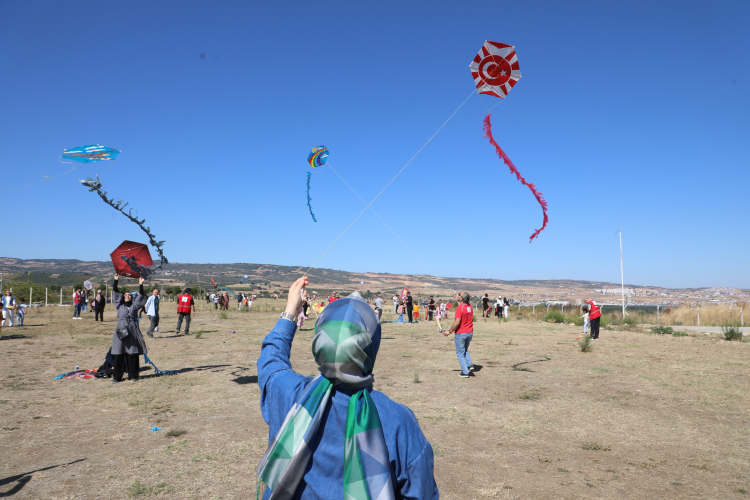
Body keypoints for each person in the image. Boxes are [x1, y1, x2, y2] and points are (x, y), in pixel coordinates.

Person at [256, 277, 439, 499]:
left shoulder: (289, 394)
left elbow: (271, 360)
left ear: (318, 344)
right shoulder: (399, 421)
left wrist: (290, 313)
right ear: (371, 348)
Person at [110, 274, 148, 383]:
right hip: (120, 333)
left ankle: (133, 375)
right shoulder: (119, 306)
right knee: (118, 353)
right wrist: (116, 280)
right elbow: (115, 292)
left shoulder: (134, 306)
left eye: (129, 295)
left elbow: (141, 296)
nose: (127, 296)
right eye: (125, 294)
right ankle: (117, 377)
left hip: (132, 333)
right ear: (122, 297)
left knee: (132, 354)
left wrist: (141, 284)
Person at [444, 292, 475, 378]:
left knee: (460, 353)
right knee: (464, 350)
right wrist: (457, 298)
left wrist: (449, 331)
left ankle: (465, 372)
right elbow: (462, 307)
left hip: (461, 333)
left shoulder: (460, 308)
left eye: (459, 295)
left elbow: (457, 322)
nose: (458, 295)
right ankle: (470, 365)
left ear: (461, 299)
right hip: (469, 332)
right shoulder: (470, 307)